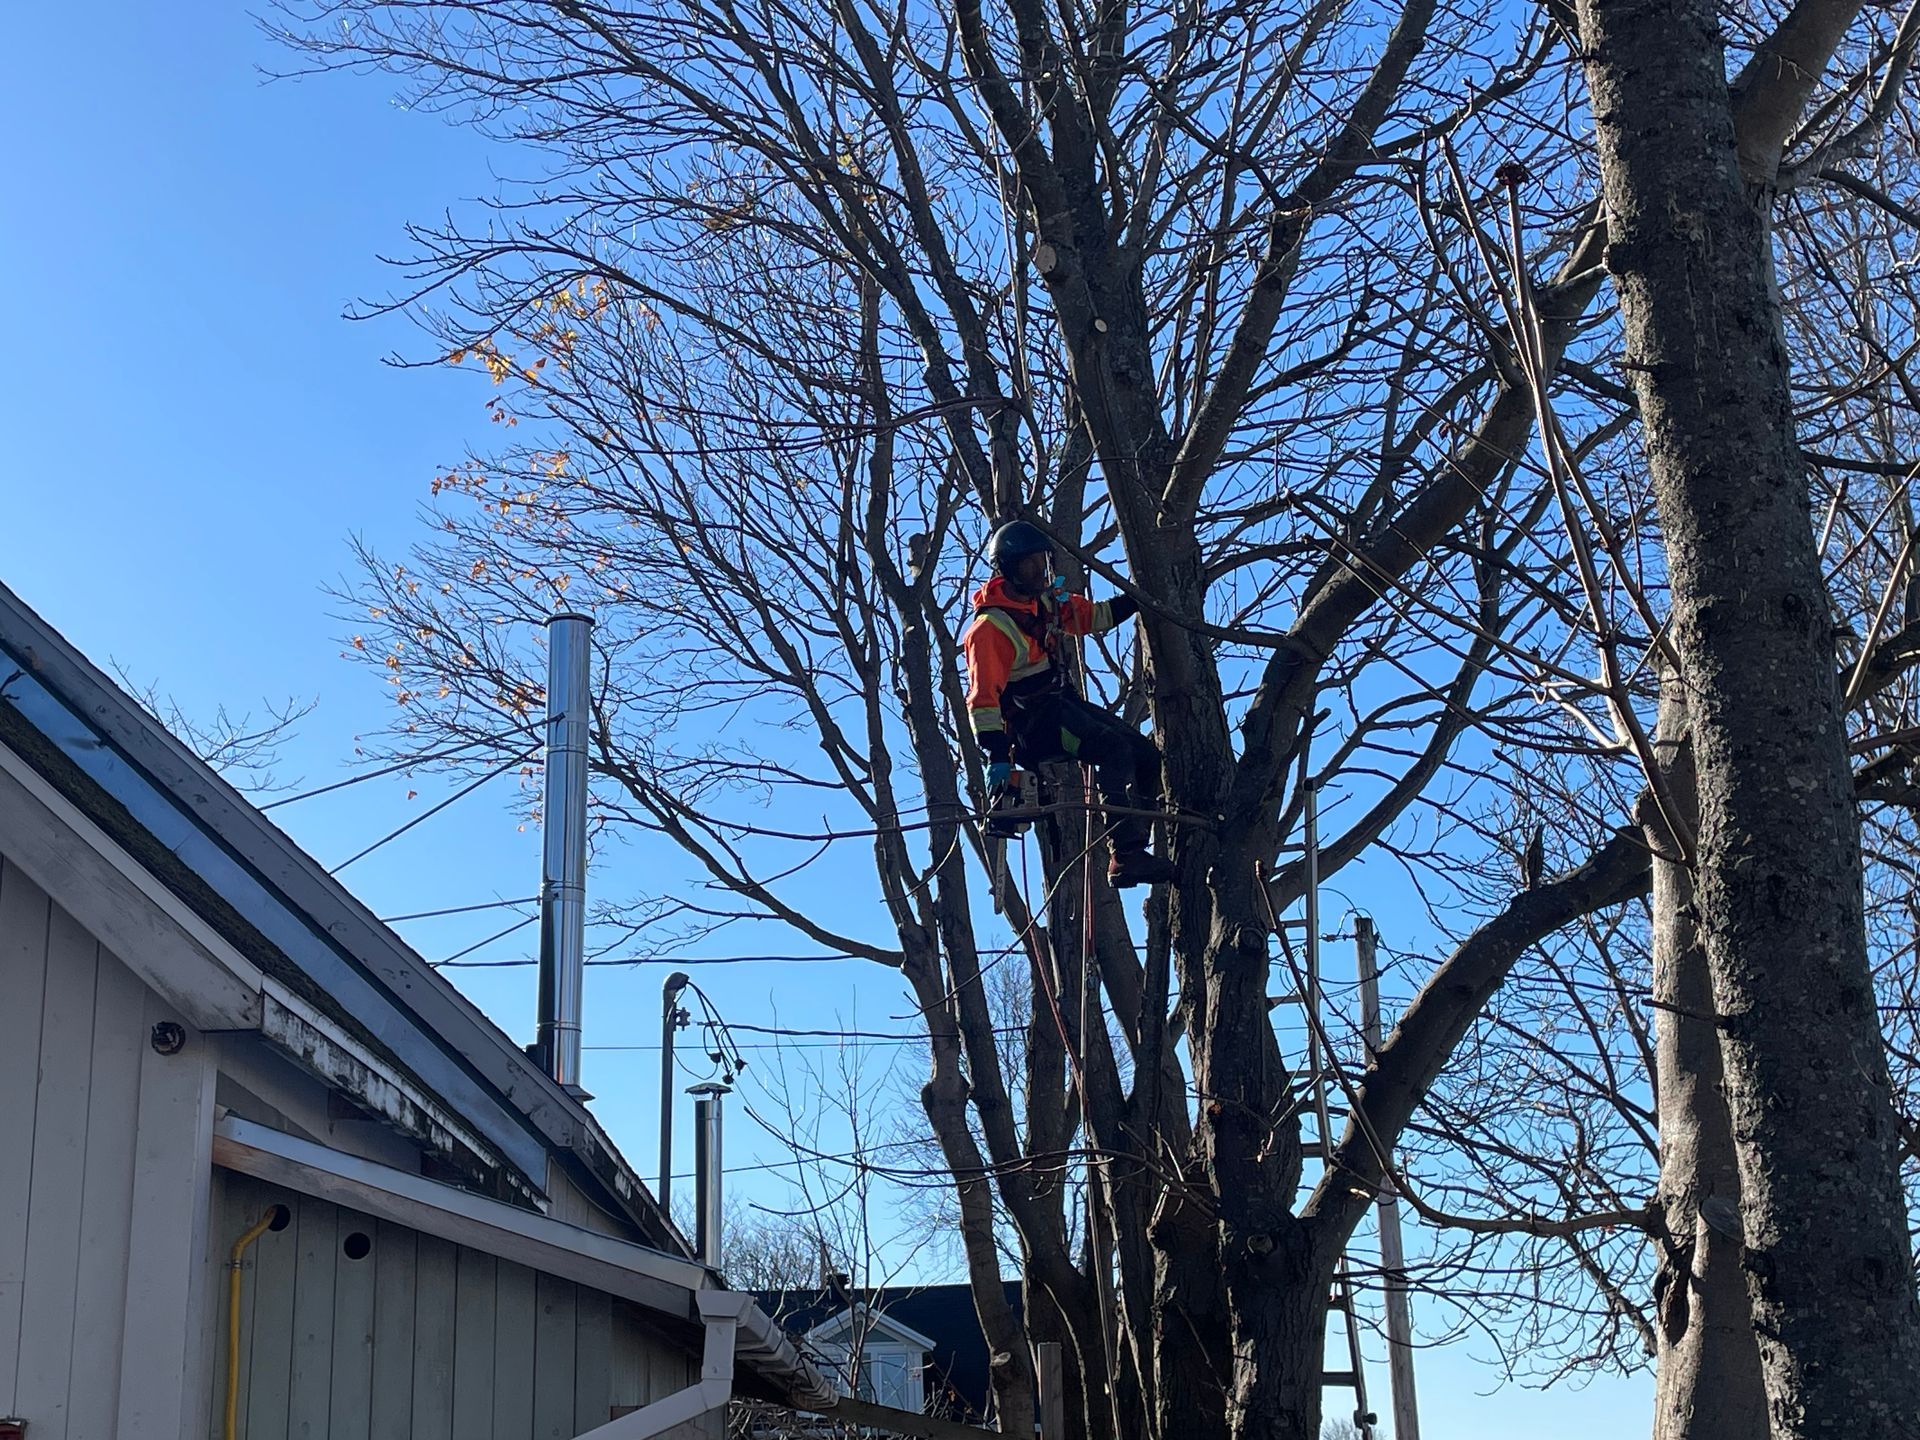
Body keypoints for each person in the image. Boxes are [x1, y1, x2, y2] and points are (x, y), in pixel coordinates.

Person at [963, 519, 1177, 889]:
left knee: (1145, 756)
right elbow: (983, 700)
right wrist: (998, 757)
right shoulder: (990, 630)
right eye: (1030, 564)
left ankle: (1135, 846)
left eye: (1041, 562)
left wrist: (1138, 599)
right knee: (1112, 749)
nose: (1039, 571)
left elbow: (1093, 616)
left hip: (1061, 705)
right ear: (1009, 569)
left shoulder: (1046, 602)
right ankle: (1125, 854)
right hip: (1034, 727)